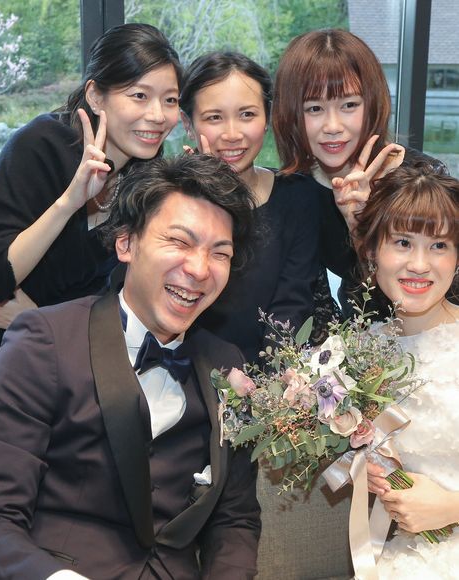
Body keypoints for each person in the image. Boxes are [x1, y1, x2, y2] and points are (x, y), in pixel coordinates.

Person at [0, 154, 261, 580]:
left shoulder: (227, 366)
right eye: (179, 242)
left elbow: (235, 520)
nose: (198, 269)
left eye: (219, 253)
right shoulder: (44, 341)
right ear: (126, 244)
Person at [0, 23, 182, 435]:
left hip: (42, 337)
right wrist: (70, 200)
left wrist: (37, 320)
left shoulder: (145, 176)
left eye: (170, 100)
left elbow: (112, 295)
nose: (158, 115)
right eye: (139, 96)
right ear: (96, 96)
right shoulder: (43, 144)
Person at [271, 28, 448, 319]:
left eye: (349, 105)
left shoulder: (422, 176)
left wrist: (366, 227)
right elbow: (316, 308)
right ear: (291, 115)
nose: (333, 126)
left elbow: (441, 286)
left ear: (372, 104)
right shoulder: (297, 192)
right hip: (360, 336)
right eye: (314, 108)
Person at [179, 51, 319, 361]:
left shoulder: (298, 197)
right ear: (188, 123)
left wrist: (271, 382)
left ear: (267, 119)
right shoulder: (174, 202)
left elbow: (292, 305)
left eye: (247, 114)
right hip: (187, 368)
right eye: (214, 117)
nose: (232, 134)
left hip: (273, 373)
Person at [355, 164, 459, 577]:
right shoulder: (356, 354)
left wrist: (451, 507)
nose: (419, 264)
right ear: (371, 252)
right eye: (402, 242)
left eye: (439, 245)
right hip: (412, 553)